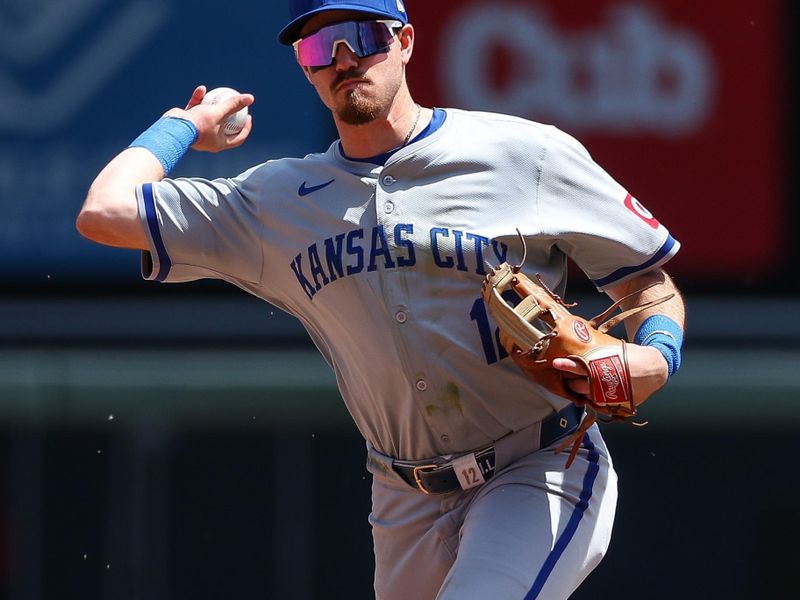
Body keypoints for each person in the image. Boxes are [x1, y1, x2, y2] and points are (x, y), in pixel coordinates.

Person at [77, 0, 686, 598]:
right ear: (305, 69)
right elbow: (104, 213)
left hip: (541, 465)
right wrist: (185, 125)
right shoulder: (277, 203)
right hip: (402, 498)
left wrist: (656, 356)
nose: (344, 58)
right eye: (319, 47)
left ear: (406, 41)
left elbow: (648, 282)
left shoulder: (525, 154)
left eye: (363, 35)